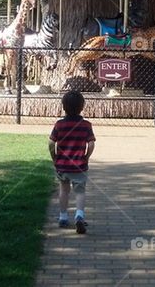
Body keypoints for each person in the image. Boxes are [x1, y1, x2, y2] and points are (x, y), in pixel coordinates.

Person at [49, 91, 96, 234]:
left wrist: (55, 157)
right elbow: (92, 143)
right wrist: (86, 157)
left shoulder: (59, 124)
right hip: (79, 165)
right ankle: (79, 215)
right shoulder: (86, 125)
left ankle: (63, 217)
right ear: (82, 107)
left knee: (64, 190)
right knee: (80, 191)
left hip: (62, 165)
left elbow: (51, 143)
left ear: (63, 107)